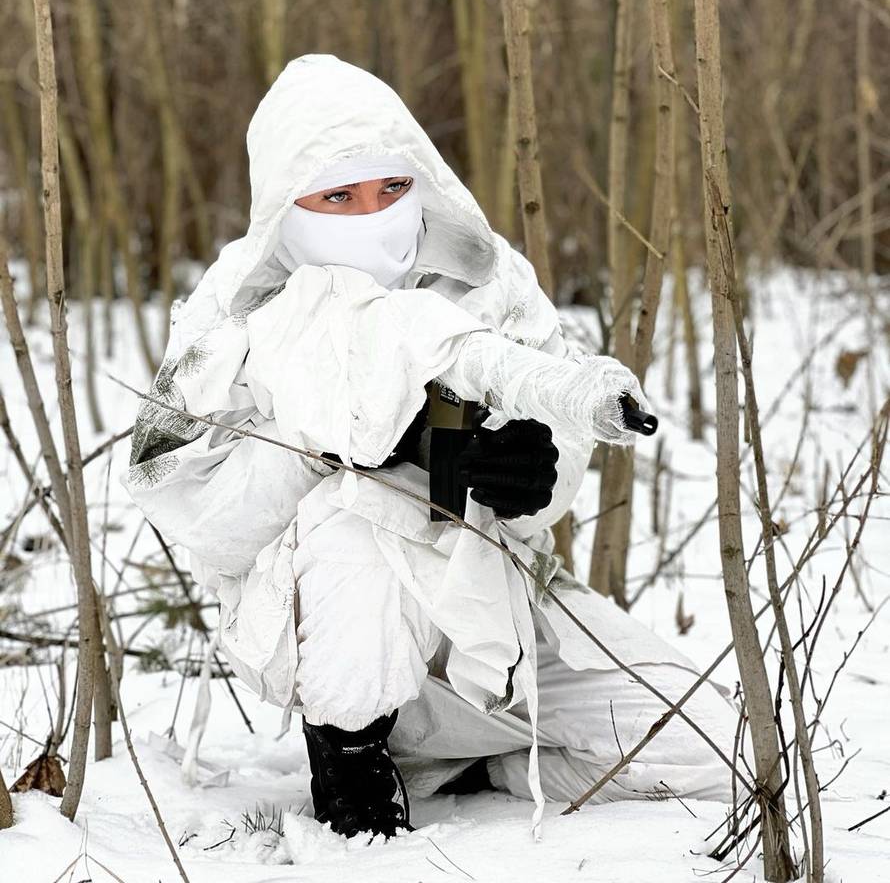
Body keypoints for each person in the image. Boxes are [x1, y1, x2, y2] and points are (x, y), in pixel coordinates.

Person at [123, 53, 737, 842]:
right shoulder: (233, 315)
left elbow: (549, 438)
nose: (371, 213)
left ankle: (474, 760)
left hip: (491, 620)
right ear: (289, 203)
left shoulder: (487, 283)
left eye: (391, 188)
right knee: (363, 515)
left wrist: (529, 480)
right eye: (338, 196)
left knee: (710, 749)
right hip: (331, 623)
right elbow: (196, 514)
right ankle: (354, 770)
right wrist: (337, 445)